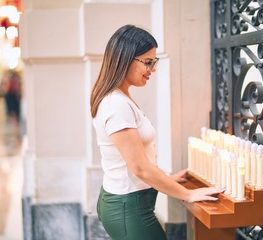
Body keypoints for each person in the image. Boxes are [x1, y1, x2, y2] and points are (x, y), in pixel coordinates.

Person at [90, 24, 225, 240]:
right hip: (129, 208)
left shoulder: (120, 99)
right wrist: (188, 194)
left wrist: (166, 177)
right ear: (125, 59)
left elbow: (138, 157)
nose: (152, 69)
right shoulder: (116, 105)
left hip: (128, 204)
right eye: (148, 62)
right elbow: (140, 168)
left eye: (155, 62)